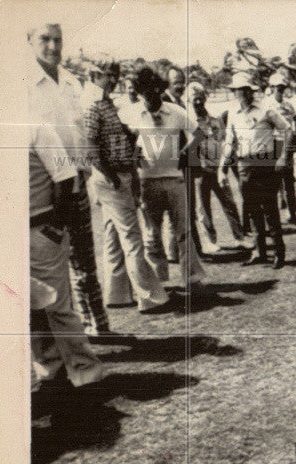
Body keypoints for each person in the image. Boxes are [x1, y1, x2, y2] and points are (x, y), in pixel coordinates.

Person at [27, 23, 123, 343]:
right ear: (29, 42)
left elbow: (79, 136)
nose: (53, 46)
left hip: (76, 186)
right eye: (45, 39)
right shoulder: (22, 85)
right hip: (43, 193)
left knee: (85, 261)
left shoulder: (70, 81)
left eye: (58, 40)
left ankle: (99, 326)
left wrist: (82, 174)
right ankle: (63, 343)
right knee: (49, 272)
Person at [82, 58, 173, 314]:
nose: (113, 80)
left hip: (117, 176)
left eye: (116, 75)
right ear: (94, 75)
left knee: (113, 236)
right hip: (111, 178)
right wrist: (111, 177)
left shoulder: (106, 103)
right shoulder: (93, 105)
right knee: (133, 239)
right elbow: (89, 147)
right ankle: (150, 297)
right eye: (108, 75)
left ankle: (118, 294)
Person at [29, 122, 106, 389]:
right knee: (29, 309)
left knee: (58, 307)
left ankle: (86, 371)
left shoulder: (36, 128)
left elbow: (66, 178)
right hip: (4, 235)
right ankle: (49, 368)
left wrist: (55, 227)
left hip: (40, 229)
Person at [128, 67, 206, 289]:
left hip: (174, 180)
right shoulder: (131, 113)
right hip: (146, 181)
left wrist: (186, 153)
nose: (149, 98)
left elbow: (199, 132)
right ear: (139, 93)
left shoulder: (175, 111)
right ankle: (159, 281)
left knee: (183, 231)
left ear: (160, 91)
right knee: (152, 235)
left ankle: (192, 278)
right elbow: (125, 142)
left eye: (154, 93)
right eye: (144, 93)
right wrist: (134, 156)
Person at [220, 71, 291, 269]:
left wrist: (283, 156)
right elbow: (229, 142)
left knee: (269, 209)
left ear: (251, 91)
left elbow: (288, 129)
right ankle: (259, 252)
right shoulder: (233, 112)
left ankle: (279, 251)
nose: (240, 94)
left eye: (244, 90)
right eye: (237, 91)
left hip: (265, 163)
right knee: (251, 210)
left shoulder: (266, 109)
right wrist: (222, 169)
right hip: (244, 165)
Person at [184, 81, 248, 250]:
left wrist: (224, 168)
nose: (198, 102)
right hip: (200, 171)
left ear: (205, 97)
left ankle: (239, 237)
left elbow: (224, 142)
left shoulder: (215, 120)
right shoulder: (189, 122)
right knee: (203, 208)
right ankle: (210, 242)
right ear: (189, 101)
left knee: (229, 203)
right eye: (194, 99)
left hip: (217, 168)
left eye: (200, 98)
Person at [264, 72, 296, 223]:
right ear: (272, 87)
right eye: (277, 87)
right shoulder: (266, 104)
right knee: (272, 182)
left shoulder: (288, 104)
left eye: (282, 87)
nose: (280, 90)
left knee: (288, 181)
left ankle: (292, 214)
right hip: (272, 144)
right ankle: (273, 219)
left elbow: (295, 119)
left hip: (286, 144)